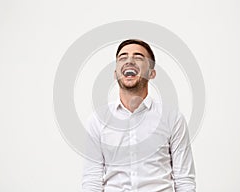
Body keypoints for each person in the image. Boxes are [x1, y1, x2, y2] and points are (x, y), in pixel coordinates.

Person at [82, 39, 196, 192]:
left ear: (151, 73)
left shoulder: (172, 118)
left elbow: (184, 180)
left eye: (138, 57)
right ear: (116, 74)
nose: (129, 61)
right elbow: (92, 180)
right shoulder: (98, 120)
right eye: (123, 58)